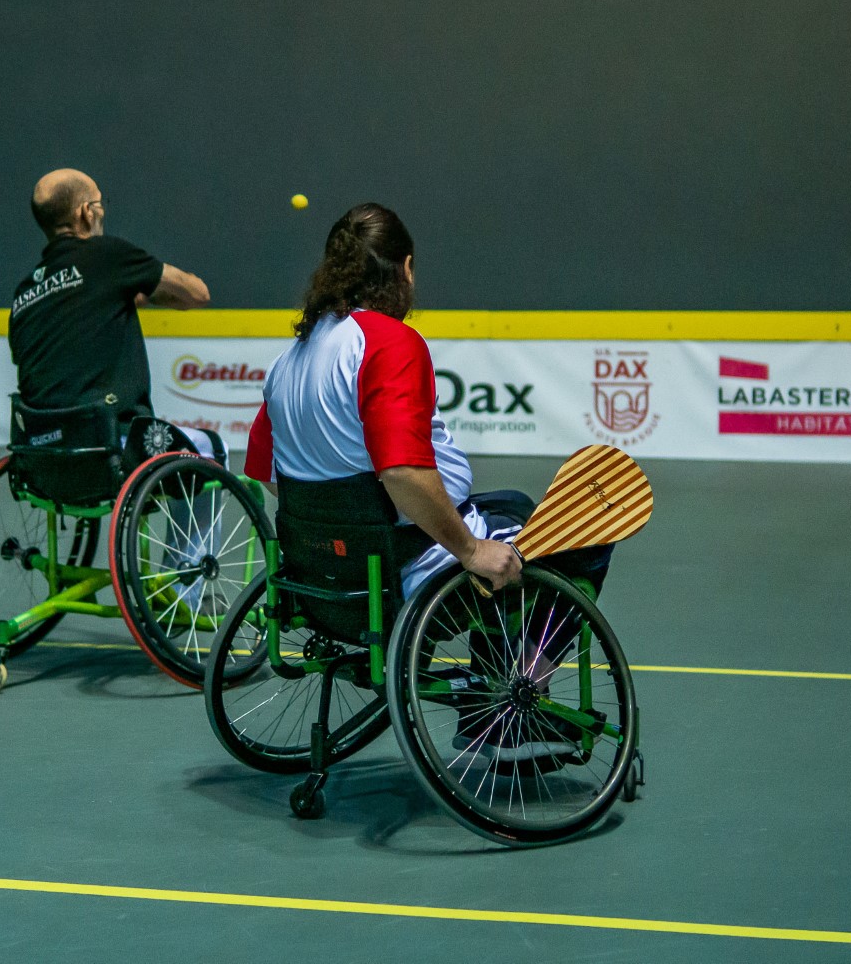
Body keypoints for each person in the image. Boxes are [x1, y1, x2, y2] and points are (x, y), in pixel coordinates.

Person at [244, 203, 613, 762]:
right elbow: (403, 473)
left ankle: (495, 690)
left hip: (322, 581)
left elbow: (272, 476)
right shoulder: (388, 342)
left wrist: (343, 532)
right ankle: (512, 698)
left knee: (511, 505)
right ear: (405, 268)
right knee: (582, 536)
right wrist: (468, 550)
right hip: (402, 577)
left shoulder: (288, 359)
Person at [9, 168, 209, 417]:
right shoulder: (107, 255)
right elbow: (196, 294)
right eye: (99, 203)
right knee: (211, 445)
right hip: (111, 439)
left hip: (42, 448)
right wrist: (147, 290)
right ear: (85, 212)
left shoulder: (24, 292)